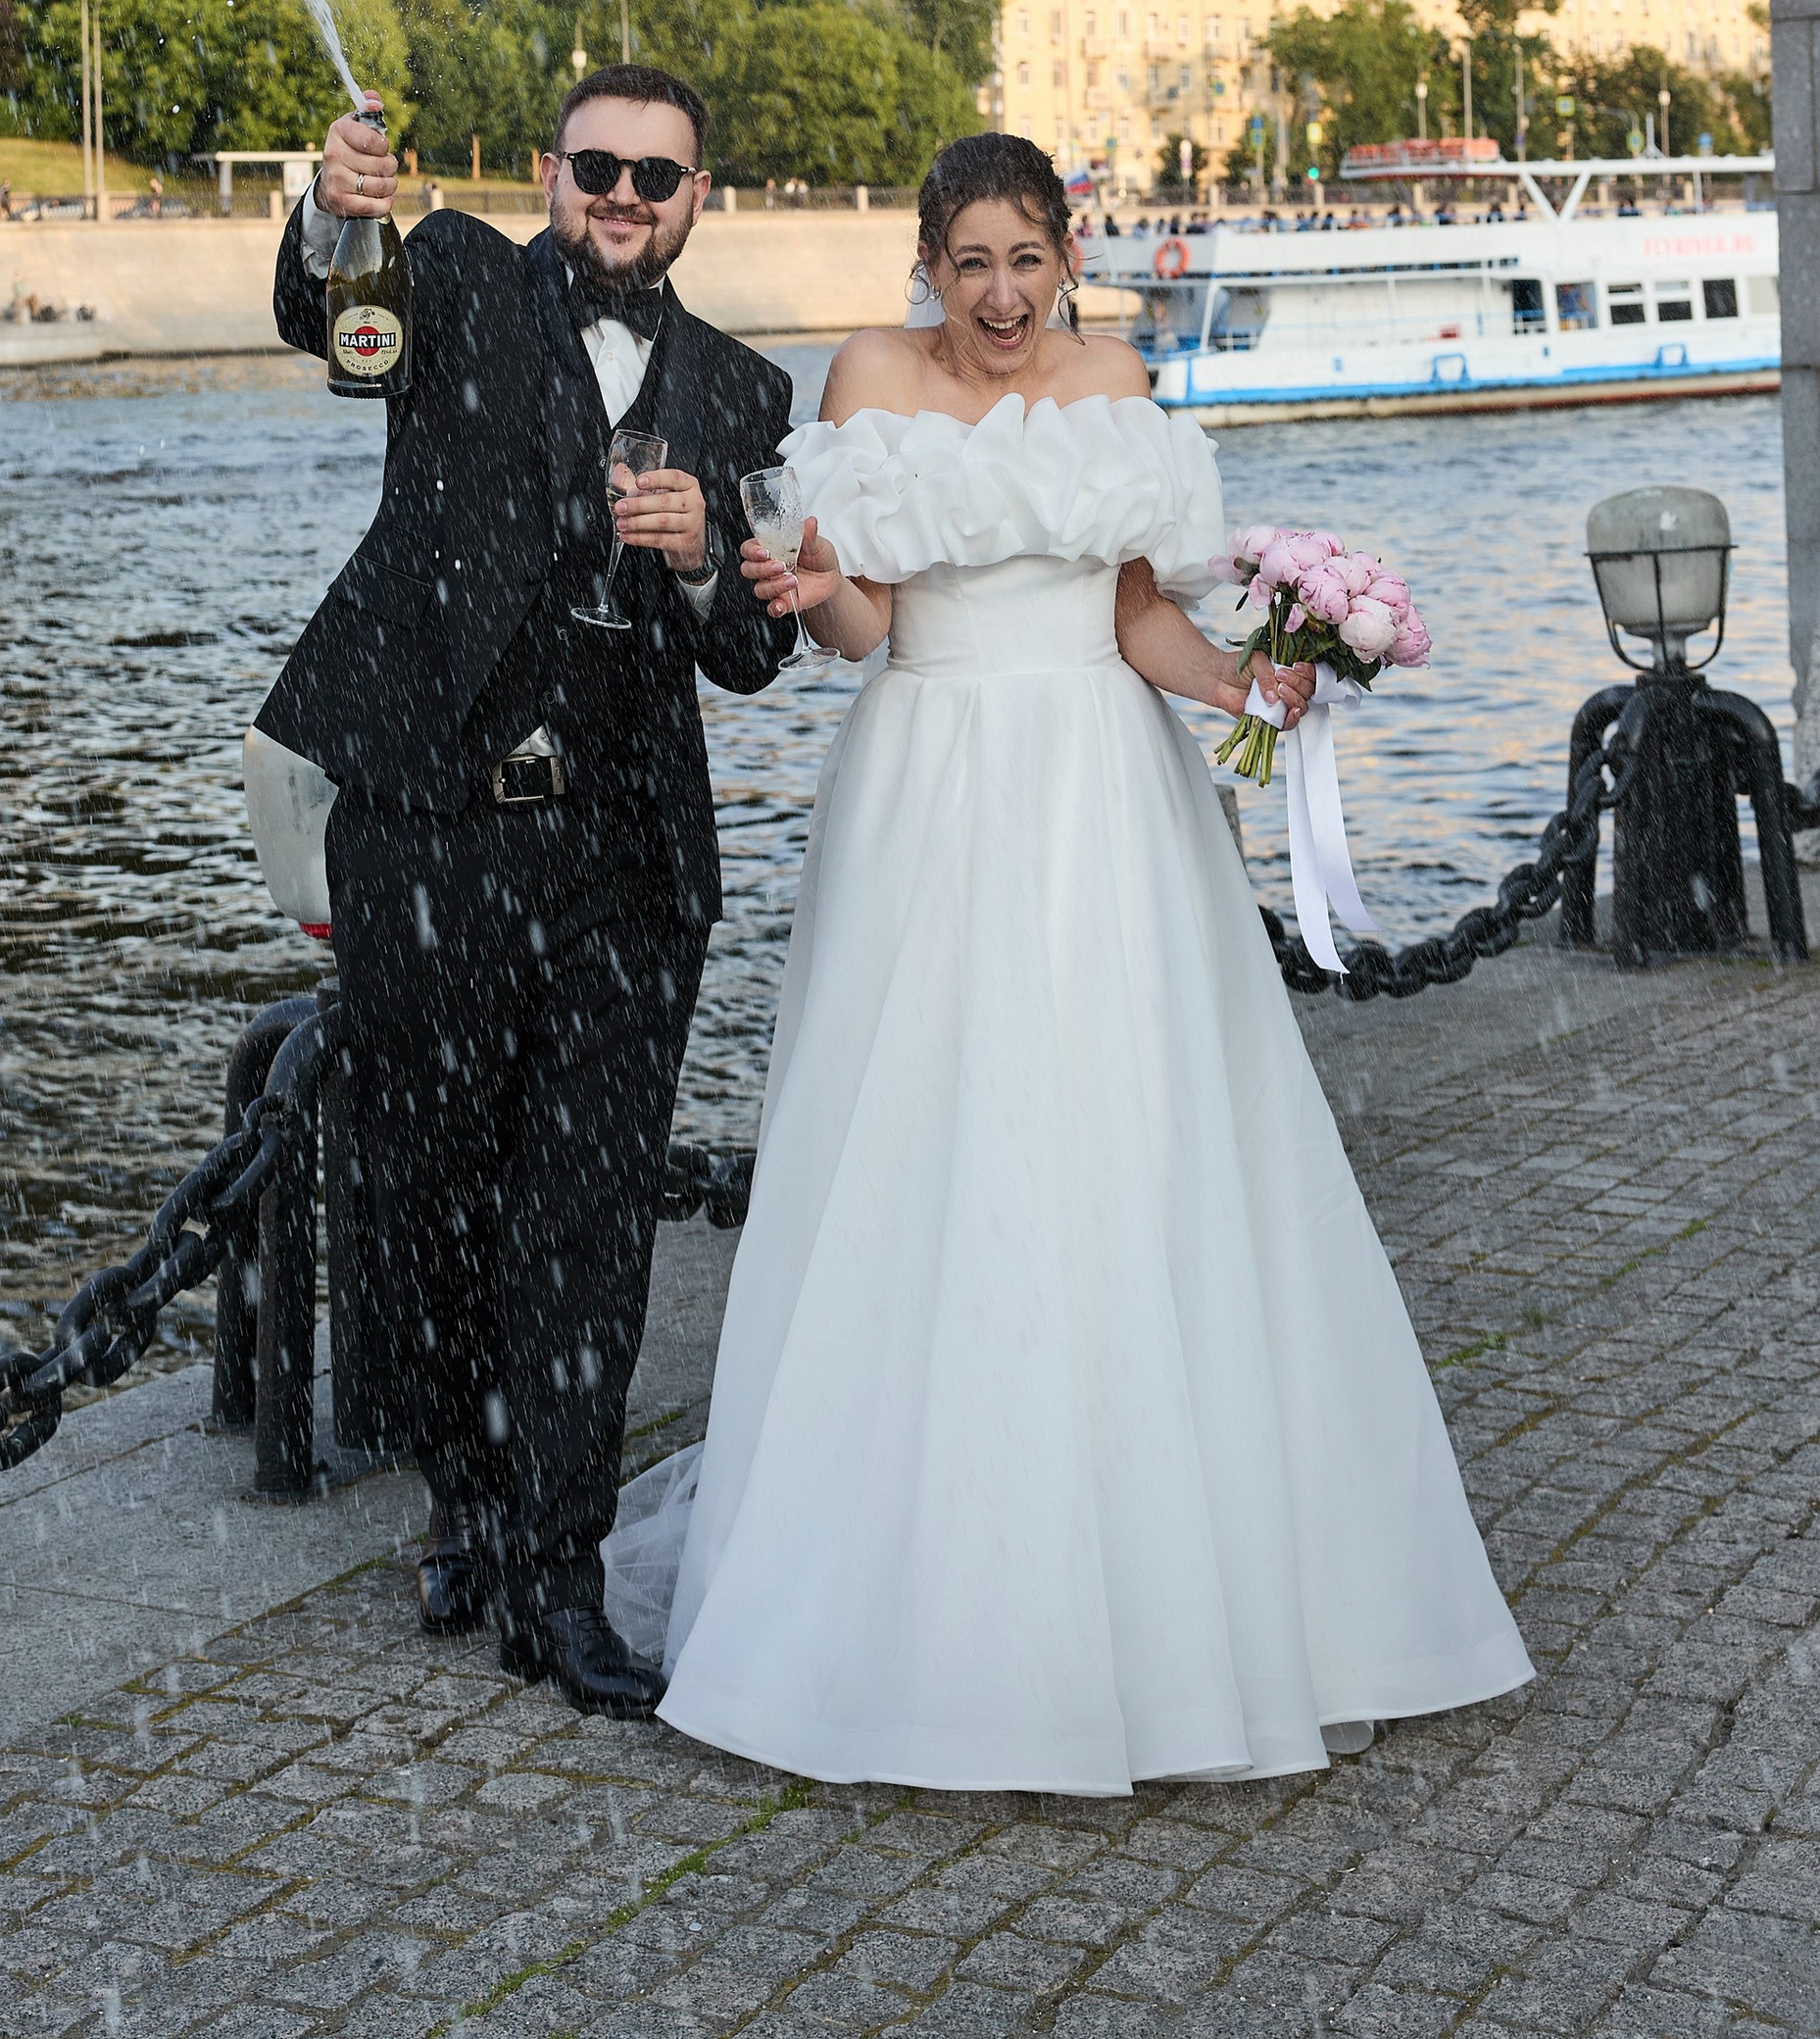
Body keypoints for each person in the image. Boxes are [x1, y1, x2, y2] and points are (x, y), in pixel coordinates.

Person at [608, 128, 1532, 1791]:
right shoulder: (870, 374)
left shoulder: (1120, 377)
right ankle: (928, 1615)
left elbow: (1134, 618)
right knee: (934, 1152)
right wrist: (812, 588)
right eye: (970, 260)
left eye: (1027, 258)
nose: (1003, 294)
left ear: (1067, 256)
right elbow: (864, 620)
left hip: (1108, 796)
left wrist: (1254, 687)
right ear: (927, 263)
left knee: (1128, 1147)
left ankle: (1164, 1593)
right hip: (932, 789)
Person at [258, 65, 796, 1715]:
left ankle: (561, 1577)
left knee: (587, 1213)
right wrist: (330, 208)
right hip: (431, 827)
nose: (624, 197)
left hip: (628, 859)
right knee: (426, 1191)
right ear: (550, 170)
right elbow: (327, 318)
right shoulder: (463, 283)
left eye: (659, 175)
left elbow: (761, 648)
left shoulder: (747, 394)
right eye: (597, 168)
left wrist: (706, 548)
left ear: (701, 197)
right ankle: (465, 1501)